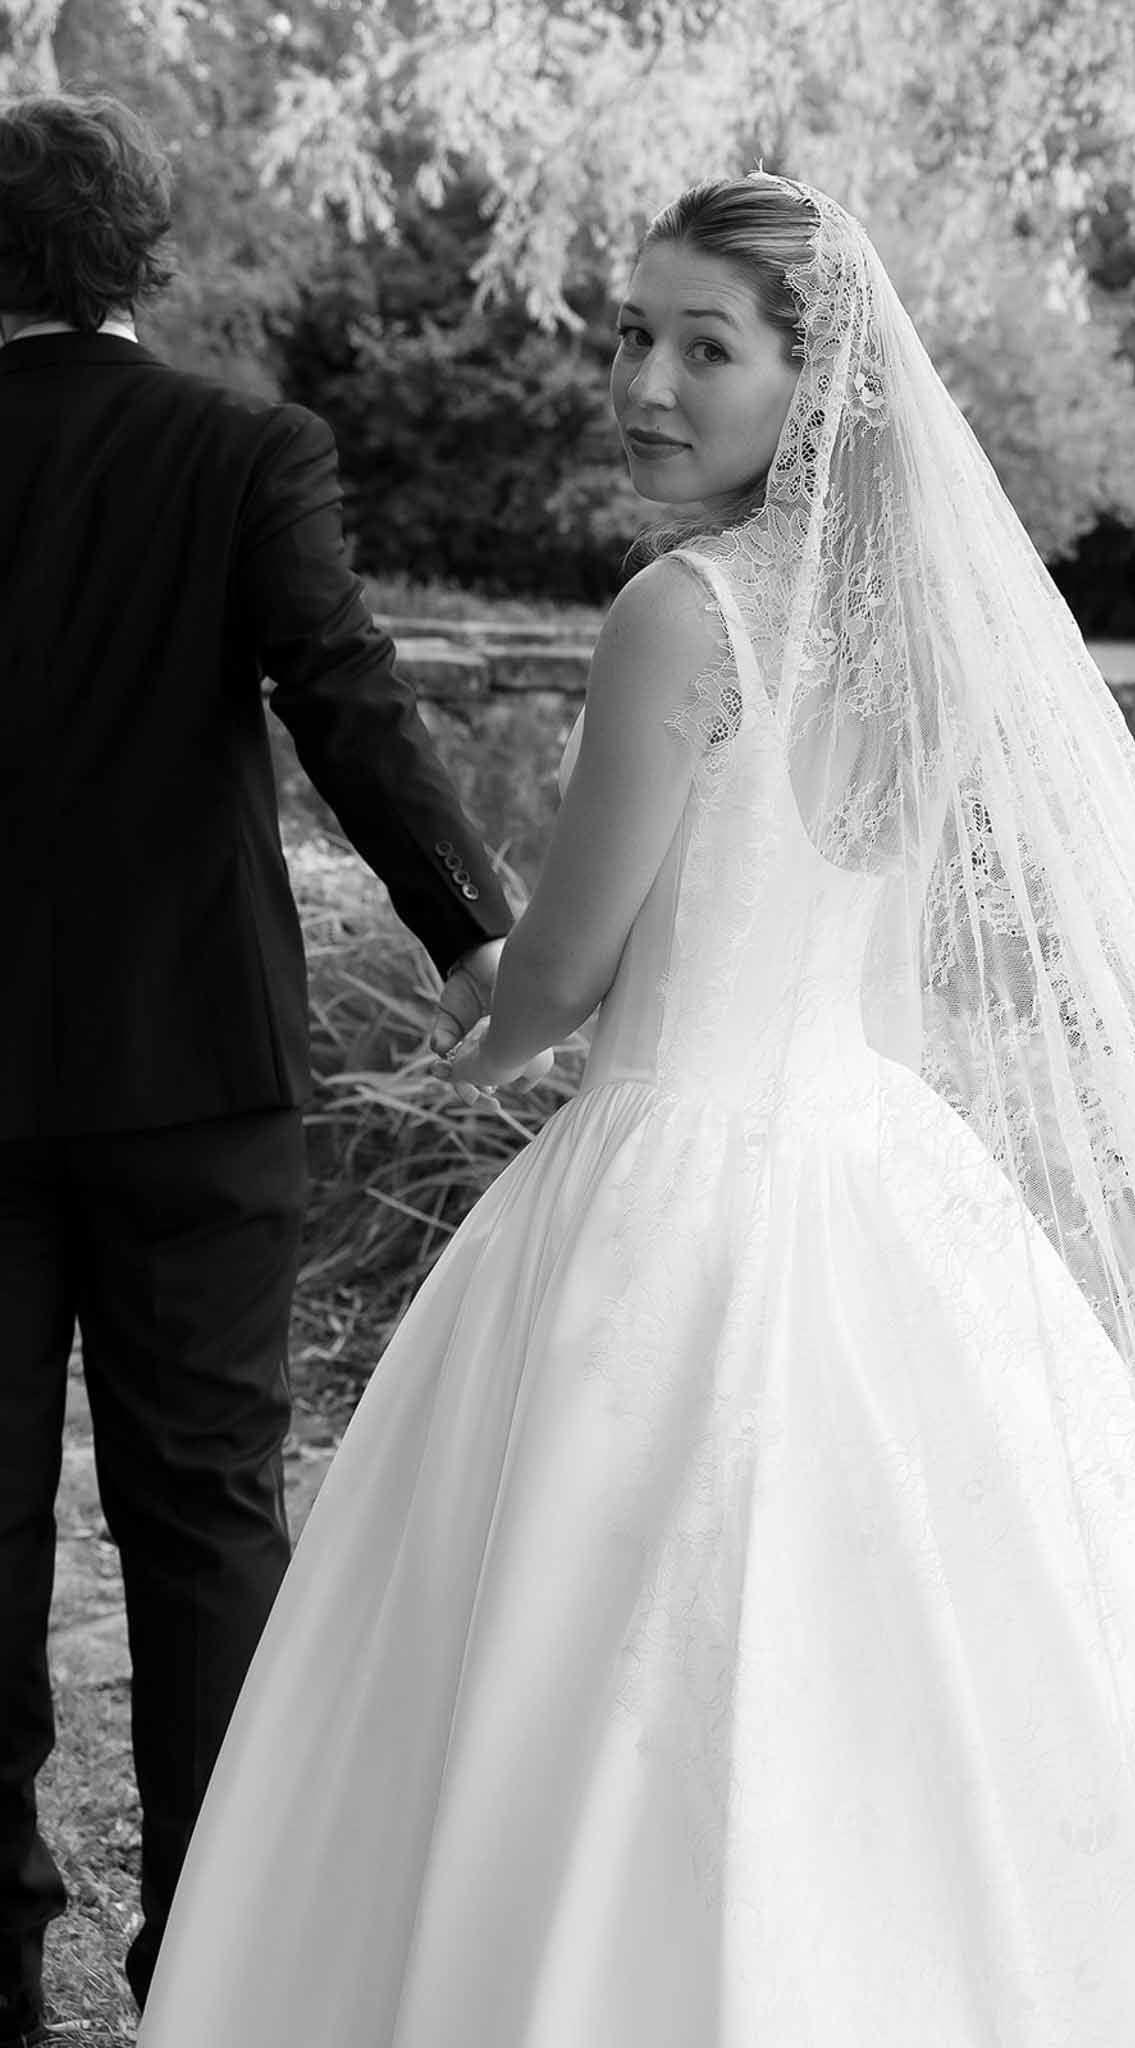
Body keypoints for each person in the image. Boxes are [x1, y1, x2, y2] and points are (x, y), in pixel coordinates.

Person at [140, 175, 1135, 2046]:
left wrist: (466, 1033)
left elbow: (560, 973)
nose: (646, 380)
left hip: (673, 1178)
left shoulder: (680, 611)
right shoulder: (924, 629)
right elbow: (875, 957)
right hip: (872, 1162)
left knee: (596, 1641)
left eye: (705, 345)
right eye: (633, 333)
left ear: (821, 385)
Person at [0, 90, 517, 2046]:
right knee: (208, 1509)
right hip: (195, 1062)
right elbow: (344, 690)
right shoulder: (238, 451)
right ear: (147, 263)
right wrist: (474, 927)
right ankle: (203, 1965)